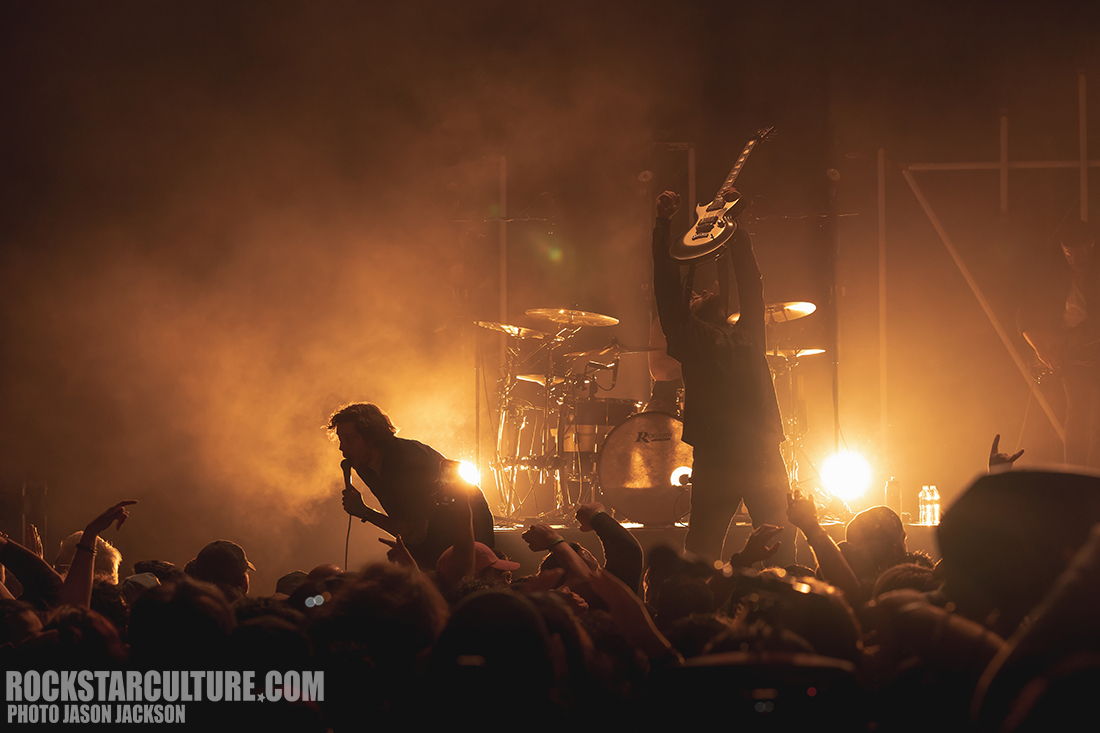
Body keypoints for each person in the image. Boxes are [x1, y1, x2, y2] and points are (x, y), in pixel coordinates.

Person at [651, 189, 789, 563]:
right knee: (703, 549)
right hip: (721, 456)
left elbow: (752, 284)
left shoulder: (747, 333)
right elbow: (666, 289)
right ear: (689, 308)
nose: (702, 292)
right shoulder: (687, 335)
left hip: (760, 450)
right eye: (695, 296)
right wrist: (663, 225)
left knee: (780, 545)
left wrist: (735, 227)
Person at [330, 402, 495, 568]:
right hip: (433, 543)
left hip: (468, 539)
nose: (342, 447)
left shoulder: (408, 461)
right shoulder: (364, 465)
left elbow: (415, 533)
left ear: (371, 437)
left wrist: (365, 512)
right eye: (340, 439)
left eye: (348, 439)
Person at [1023, 220, 1100, 467]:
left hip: (1092, 350)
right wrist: (1041, 349)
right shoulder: (1054, 278)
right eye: (1068, 254)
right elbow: (1024, 315)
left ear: (1091, 245)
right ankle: (1075, 473)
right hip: (1073, 356)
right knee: (1078, 411)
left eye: (1080, 253)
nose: (1075, 260)